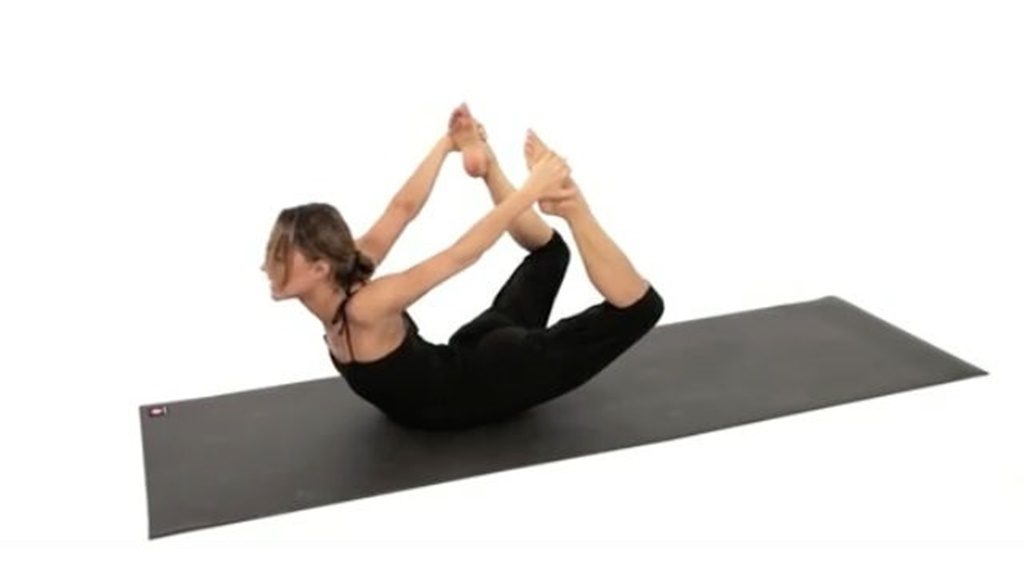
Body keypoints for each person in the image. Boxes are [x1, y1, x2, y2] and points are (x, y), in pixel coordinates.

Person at [260, 103, 664, 430]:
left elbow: (461, 254)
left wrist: (532, 190)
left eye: (278, 257)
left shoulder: (366, 305)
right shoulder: (347, 266)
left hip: (501, 380)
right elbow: (402, 208)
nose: (265, 267)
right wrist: (447, 144)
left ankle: (572, 206)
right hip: (474, 352)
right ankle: (491, 168)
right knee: (550, 256)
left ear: (319, 269)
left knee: (642, 309)